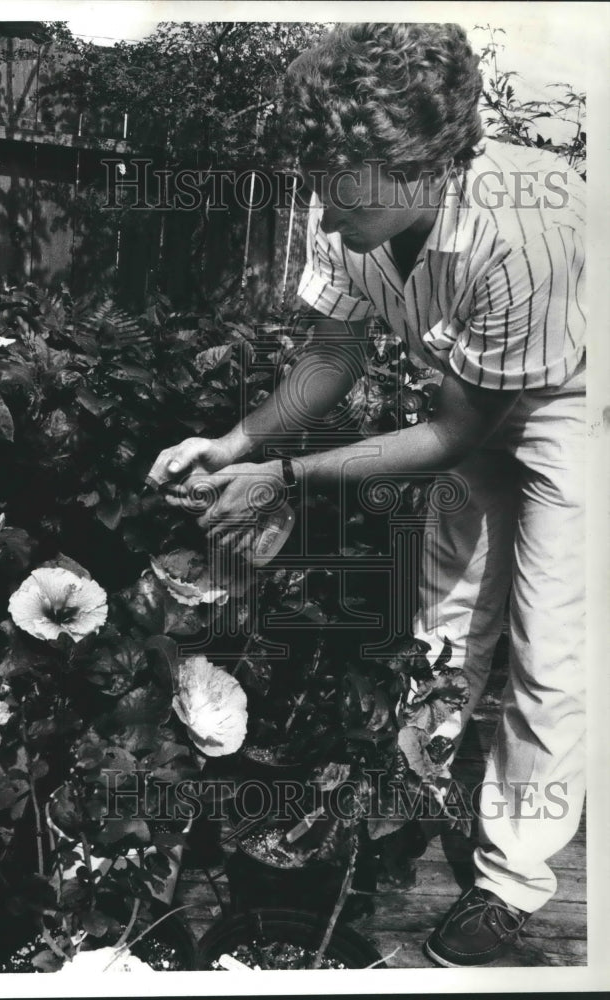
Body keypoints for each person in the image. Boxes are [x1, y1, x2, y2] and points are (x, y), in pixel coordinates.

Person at [147, 22, 586, 967]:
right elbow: (332, 352)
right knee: (444, 615)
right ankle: (409, 799)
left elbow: (459, 432)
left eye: (340, 183)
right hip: (468, 385)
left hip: (575, 408)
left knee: (550, 642)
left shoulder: (520, 229)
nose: (320, 205)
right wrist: (233, 442)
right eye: (315, 175)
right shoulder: (345, 203)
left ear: (423, 167)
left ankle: (511, 885)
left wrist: (287, 475)